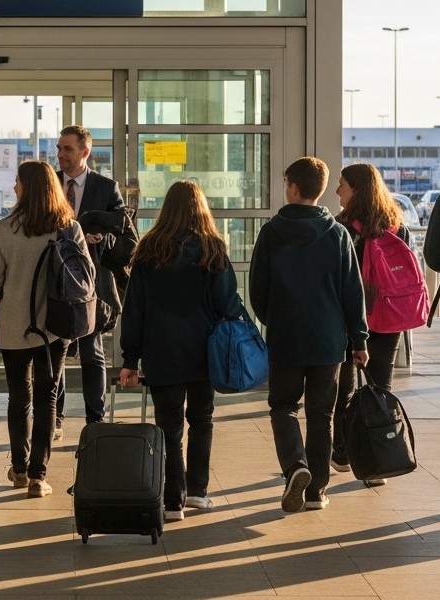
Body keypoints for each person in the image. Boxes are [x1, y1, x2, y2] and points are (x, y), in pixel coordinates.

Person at [249, 156, 369, 514]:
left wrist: (275, 318)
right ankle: (316, 491)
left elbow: (258, 289)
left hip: (286, 337)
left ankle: (295, 465)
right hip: (328, 342)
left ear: (294, 188)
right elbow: (353, 292)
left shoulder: (271, 232)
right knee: (321, 414)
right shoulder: (338, 235)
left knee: (283, 406)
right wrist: (359, 340)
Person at [118, 180, 241, 522]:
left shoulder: (148, 250)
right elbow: (228, 304)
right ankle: (199, 492)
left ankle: (173, 502)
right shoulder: (212, 249)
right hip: (205, 353)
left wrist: (130, 358)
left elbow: (135, 310)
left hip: (162, 353)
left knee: (168, 426)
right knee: (202, 420)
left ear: (166, 209)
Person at [0, 160, 84, 498]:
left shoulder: (4, 228)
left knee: (19, 397)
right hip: (55, 327)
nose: (14, 187)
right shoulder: (69, 228)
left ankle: (21, 468)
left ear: (28, 188)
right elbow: (85, 277)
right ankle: (40, 476)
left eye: (17, 182)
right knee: (47, 398)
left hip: (13, 326)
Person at [332, 162, 410, 488]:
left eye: (342, 185)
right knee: (381, 387)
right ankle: (378, 457)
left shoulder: (341, 228)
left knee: (345, 389)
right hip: (389, 318)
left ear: (357, 190)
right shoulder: (396, 226)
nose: (337, 190)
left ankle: (341, 453)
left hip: (352, 321)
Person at [53, 125, 126, 440]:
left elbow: (124, 228)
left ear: (84, 152)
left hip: (91, 282)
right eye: (59, 148)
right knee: (55, 349)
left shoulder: (106, 187)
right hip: (56, 280)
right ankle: (55, 416)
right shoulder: (51, 184)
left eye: (67, 149)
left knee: (91, 352)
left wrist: (103, 236)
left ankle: (94, 419)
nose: (61, 155)